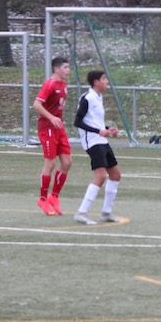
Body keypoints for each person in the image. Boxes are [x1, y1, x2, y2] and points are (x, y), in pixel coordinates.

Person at [72, 70, 123, 225]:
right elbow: (78, 122)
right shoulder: (87, 98)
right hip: (93, 142)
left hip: (101, 141)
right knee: (100, 176)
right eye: (103, 79)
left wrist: (107, 129)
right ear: (96, 82)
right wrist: (98, 131)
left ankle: (106, 213)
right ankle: (81, 212)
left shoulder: (98, 97)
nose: (106, 81)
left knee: (115, 175)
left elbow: (95, 122)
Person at [33, 56, 73, 216]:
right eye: (65, 67)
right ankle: (42, 199)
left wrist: (57, 119)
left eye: (68, 67)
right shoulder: (50, 84)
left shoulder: (63, 84)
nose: (68, 70)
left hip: (58, 127)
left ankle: (54, 196)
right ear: (56, 69)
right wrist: (51, 118)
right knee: (50, 163)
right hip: (47, 128)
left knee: (67, 162)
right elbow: (37, 104)